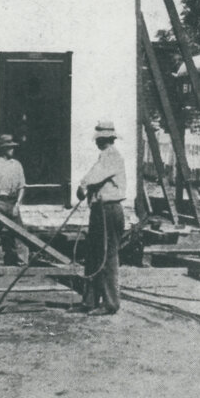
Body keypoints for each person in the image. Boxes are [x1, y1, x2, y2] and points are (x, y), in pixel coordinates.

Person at [76, 120, 126, 315]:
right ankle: (89, 300)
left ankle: (110, 303)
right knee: (93, 256)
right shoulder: (103, 156)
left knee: (107, 256)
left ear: (106, 138)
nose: (97, 142)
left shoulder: (112, 156)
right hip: (99, 209)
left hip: (109, 210)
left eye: (99, 138)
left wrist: (83, 185)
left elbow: (93, 178)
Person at [0, 134, 29, 266]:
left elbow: (22, 187)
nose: (12, 150)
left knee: (19, 232)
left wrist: (17, 205)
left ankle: (22, 261)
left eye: (12, 147)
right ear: (3, 149)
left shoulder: (17, 165)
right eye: (9, 148)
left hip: (12, 202)